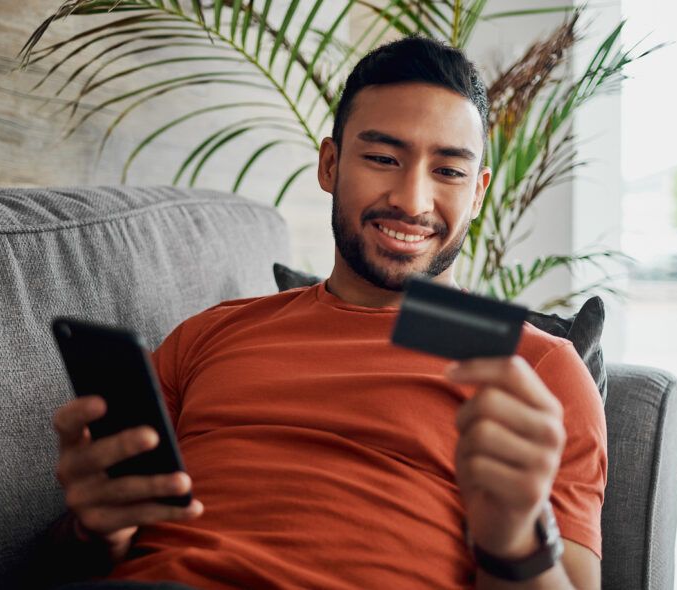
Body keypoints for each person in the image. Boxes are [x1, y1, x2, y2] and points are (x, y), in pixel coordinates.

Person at [47, 36, 606, 590]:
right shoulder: (209, 335)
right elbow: (97, 541)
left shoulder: (539, 370)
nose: (412, 201)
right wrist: (96, 531)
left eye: (449, 172)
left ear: (478, 193)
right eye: (383, 159)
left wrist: (514, 540)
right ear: (331, 164)